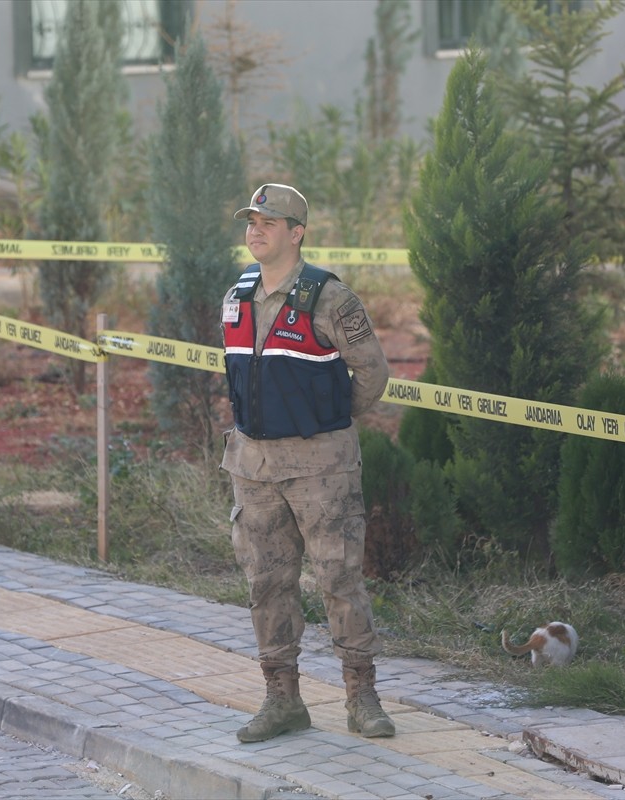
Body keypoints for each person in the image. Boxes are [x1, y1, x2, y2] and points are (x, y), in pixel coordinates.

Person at [220, 183, 394, 743]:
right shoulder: (238, 293)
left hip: (322, 467)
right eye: (251, 221)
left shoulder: (330, 298)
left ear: (297, 233)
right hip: (254, 466)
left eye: (269, 222)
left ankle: (361, 698)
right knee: (267, 582)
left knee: (339, 579)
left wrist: (332, 421)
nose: (256, 230)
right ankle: (282, 700)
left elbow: (373, 374)